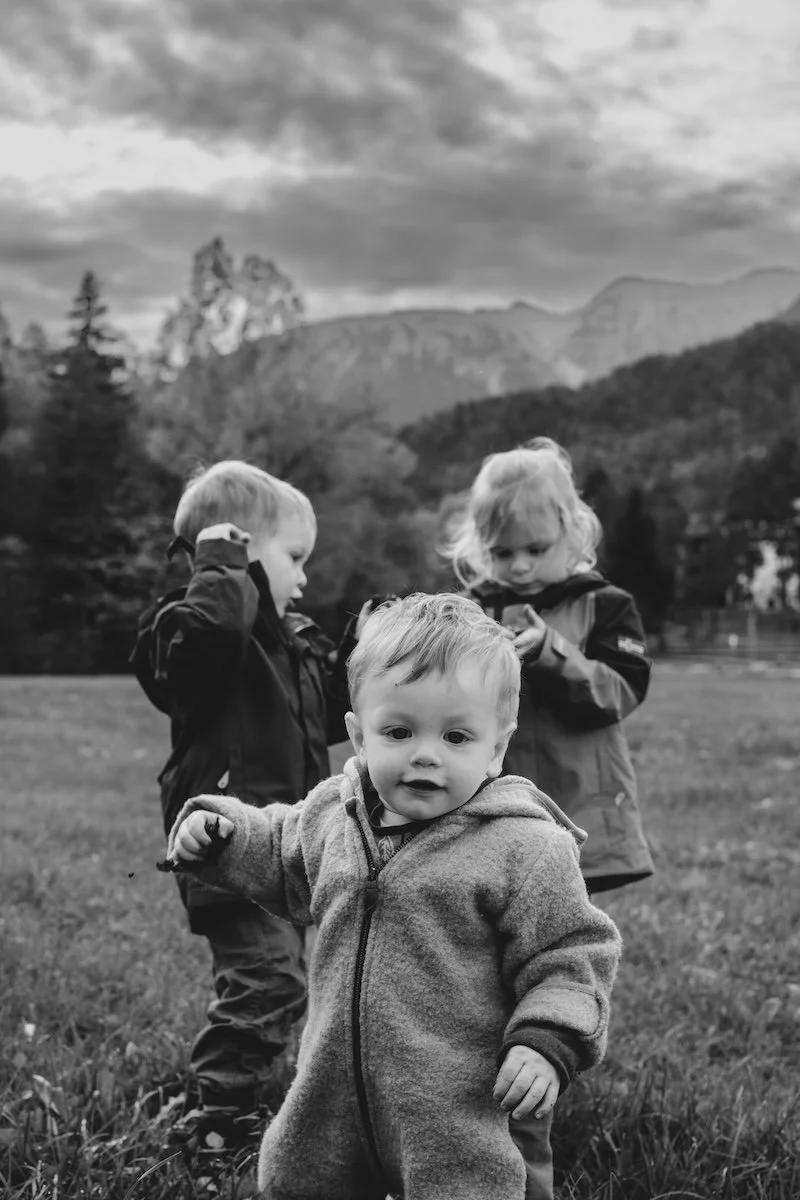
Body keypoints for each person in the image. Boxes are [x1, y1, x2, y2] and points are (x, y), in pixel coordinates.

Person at [163, 592, 622, 1200]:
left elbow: (573, 956)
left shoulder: (525, 847)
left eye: (457, 736)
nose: (425, 754)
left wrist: (547, 1042)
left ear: (497, 747)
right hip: (332, 1090)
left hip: (459, 1102)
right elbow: (280, 849)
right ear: (359, 735)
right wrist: (222, 834)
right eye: (399, 731)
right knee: (301, 1180)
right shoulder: (337, 812)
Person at [132, 460, 360, 1146]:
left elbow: (326, 721)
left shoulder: (289, 645)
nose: (306, 577)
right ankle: (219, 1117)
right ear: (235, 548)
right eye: (294, 557)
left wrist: (360, 650)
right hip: (225, 842)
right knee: (270, 980)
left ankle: (250, 1096)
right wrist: (222, 566)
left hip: (289, 846)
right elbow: (215, 637)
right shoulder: (183, 627)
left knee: (293, 979)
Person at [443, 436, 654, 895]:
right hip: (492, 808)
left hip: (579, 810)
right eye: (502, 553)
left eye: (535, 549)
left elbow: (620, 692)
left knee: (569, 943)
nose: (519, 567)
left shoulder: (606, 606)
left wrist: (551, 655)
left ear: (571, 531)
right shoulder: (472, 609)